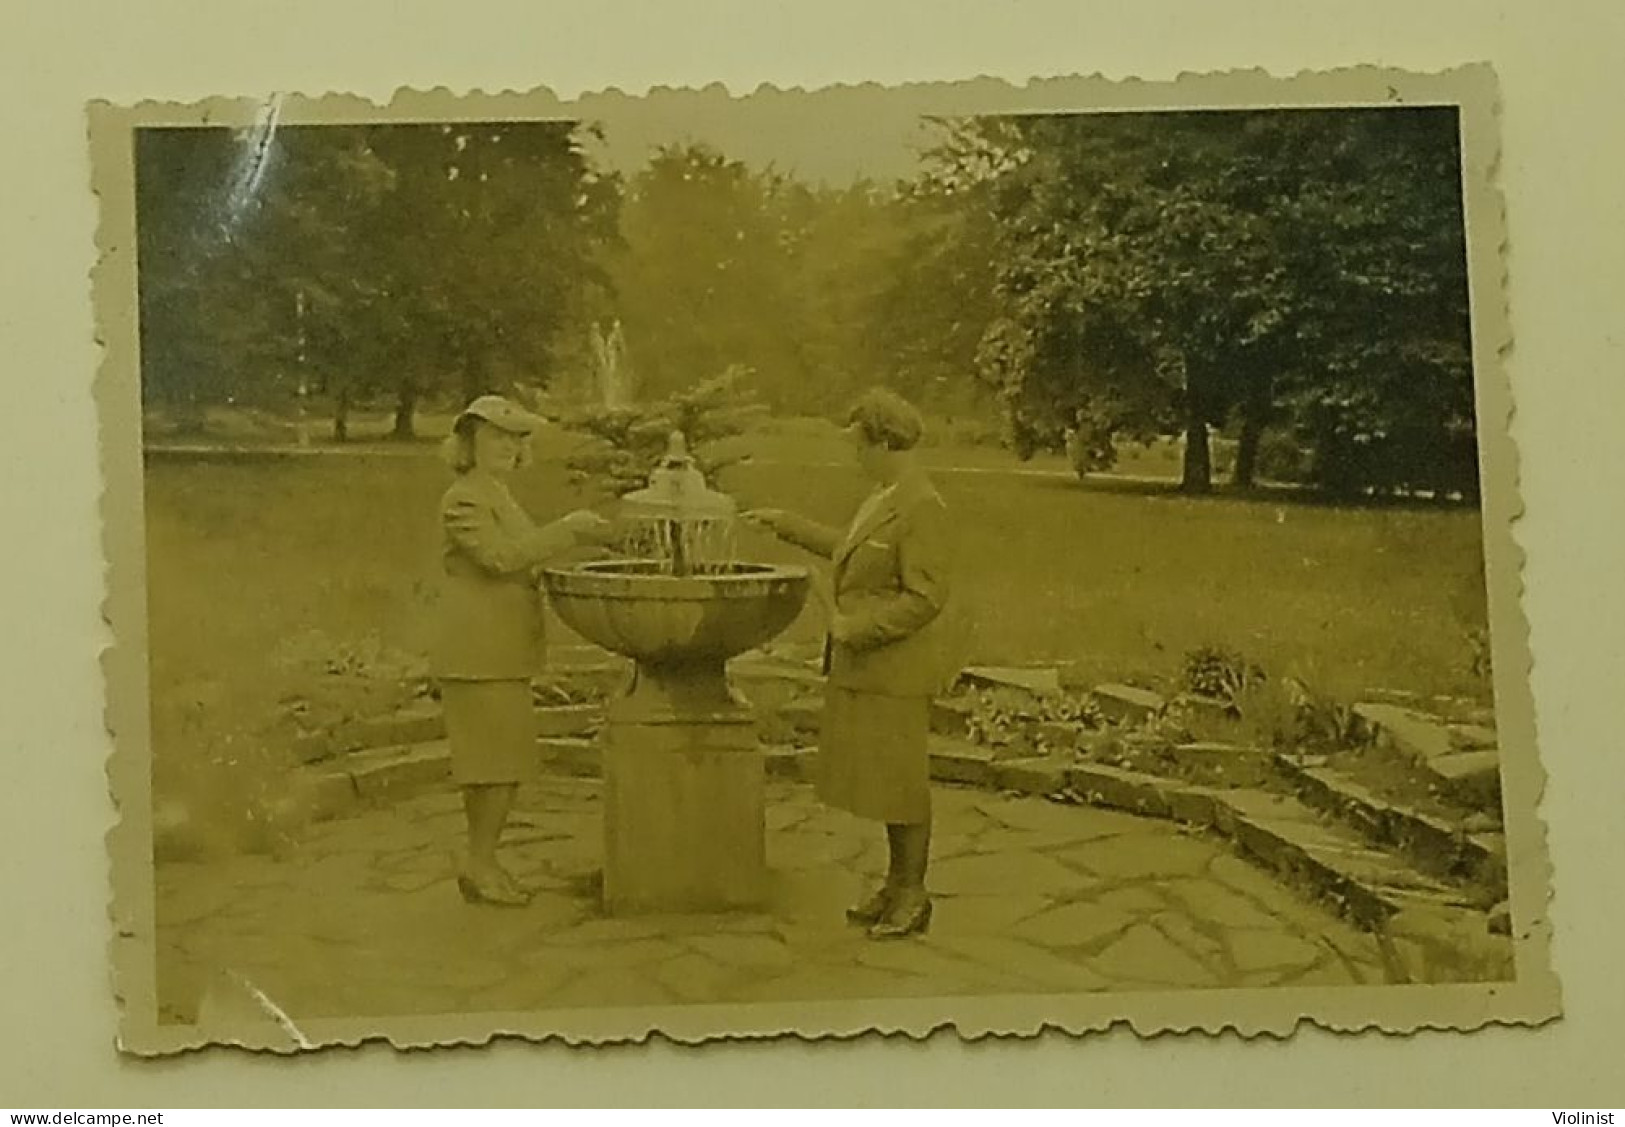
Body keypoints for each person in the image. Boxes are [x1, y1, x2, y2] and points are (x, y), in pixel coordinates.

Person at [744, 389, 960, 939]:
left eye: (859, 446)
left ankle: (913, 896)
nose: (853, 456)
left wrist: (853, 629)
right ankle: (895, 885)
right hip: (871, 671)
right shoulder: (887, 494)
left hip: (894, 671)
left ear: (885, 442)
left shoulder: (922, 506)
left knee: (904, 784)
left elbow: (926, 597)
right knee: (887, 782)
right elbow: (852, 549)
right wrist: (786, 523)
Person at [432, 394, 616, 907]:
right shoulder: (463, 498)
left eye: (516, 439)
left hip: (500, 649)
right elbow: (499, 558)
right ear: (468, 443)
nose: (508, 448)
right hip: (475, 650)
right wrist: (568, 531)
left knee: (500, 764)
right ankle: (481, 864)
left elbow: (524, 557)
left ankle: (482, 862)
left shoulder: (498, 493)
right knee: (493, 765)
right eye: (496, 438)